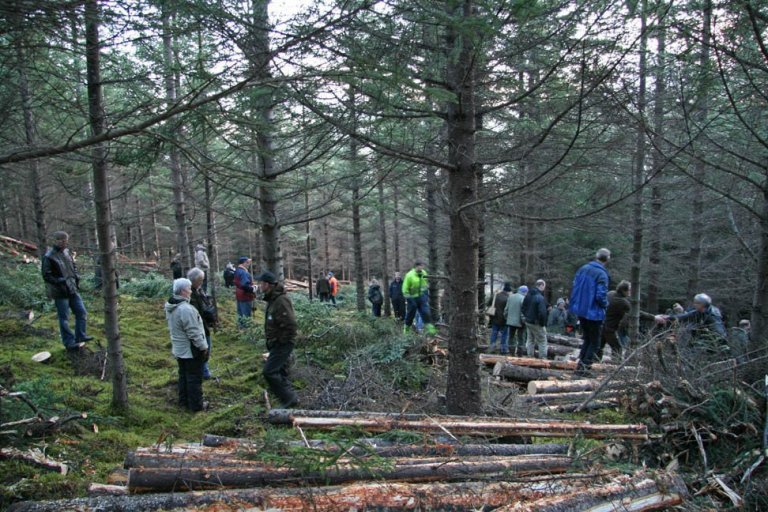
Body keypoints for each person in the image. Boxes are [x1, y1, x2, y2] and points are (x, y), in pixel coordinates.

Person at [42, 231, 92, 351]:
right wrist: (61, 281)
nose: (65, 243)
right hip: (60, 292)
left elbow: (73, 267)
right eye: (62, 240)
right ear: (56, 241)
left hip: (73, 289)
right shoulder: (49, 256)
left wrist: (76, 276)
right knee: (64, 318)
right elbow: (46, 276)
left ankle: (81, 336)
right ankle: (69, 342)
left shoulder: (66, 252)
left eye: (66, 240)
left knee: (81, 312)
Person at [165, 278, 209, 412]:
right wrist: (203, 347)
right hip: (190, 349)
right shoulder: (186, 309)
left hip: (179, 348)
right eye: (189, 289)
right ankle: (196, 406)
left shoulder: (170, 305)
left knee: (184, 376)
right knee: (194, 378)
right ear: (183, 291)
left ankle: (183, 401)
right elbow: (194, 332)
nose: (191, 291)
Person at [257, 271, 299, 408]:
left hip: (283, 344)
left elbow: (291, 324)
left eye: (261, 283)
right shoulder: (272, 298)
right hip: (276, 343)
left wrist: (281, 341)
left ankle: (289, 398)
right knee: (281, 370)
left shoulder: (281, 300)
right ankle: (288, 400)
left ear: (267, 285)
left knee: (269, 371)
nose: (259, 285)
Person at [570, 248, 611, 374]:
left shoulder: (583, 269)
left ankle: (580, 366)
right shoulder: (601, 274)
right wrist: (605, 305)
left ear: (596, 256)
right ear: (607, 259)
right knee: (595, 341)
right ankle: (585, 367)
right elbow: (601, 295)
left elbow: (575, 285)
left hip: (581, 310)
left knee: (587, 339)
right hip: (593, 313)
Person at [597, 280, 656, 361]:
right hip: (609, 328)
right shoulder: (622, 301)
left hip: (600, 324)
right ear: (624, 290)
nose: (630, 292)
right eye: (629, 290)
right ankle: (614, 366)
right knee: (617, 348)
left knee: (599, 346)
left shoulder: (611, 293)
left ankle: (592, 363)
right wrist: (654, 317)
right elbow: (637, 312)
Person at [657, 293, 727, 348]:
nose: (694, 304)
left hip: (713, 344)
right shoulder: (699, 312)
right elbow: (684, 317)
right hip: (702, 342)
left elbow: (719, 333)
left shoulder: (713, 316)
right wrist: (668, 317)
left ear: (702, 304)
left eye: (696, 303)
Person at [188, 268, 217, 380]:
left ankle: (204, 371)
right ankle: (203, 372)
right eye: (200, 280)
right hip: (199, 326)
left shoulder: (198, 290)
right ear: (194, 280)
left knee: (206, 349)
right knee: (203, 349)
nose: (202, 282)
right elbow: (196, 311)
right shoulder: (191, 293)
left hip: (204, 324)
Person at [402, 261, 437, 335]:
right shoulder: (409, 275)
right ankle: (406, 330)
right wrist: (409, 298)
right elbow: (404, 289)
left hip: (421, 297)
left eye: (422, 266)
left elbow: (425, 285)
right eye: (420, 266)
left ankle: (431, 330)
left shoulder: (424, 273)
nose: (422, 267)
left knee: (426, 312)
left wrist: (425, 295)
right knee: (411, 314)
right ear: (416, 266)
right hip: (412, 297)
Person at [522, 279, 549, 359]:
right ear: (541, 285)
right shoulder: (540, 298)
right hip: (536, 322)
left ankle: (530, 356)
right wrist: (542, 323)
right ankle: (543, 358)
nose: (544, 288)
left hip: (528, 321)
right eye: (544, 286)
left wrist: (527, 317)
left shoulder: (528, 295)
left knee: (530, 339)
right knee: (542, 340)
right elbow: (542, 313)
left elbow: (523, 308)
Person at [488, 283, 512, 354]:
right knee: (504, 334)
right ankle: (503, 349)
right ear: (508, 291)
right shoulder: (508, 298)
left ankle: (492, 347)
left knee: (494, 333)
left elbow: (489, 304)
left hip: (494, 318)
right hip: (504, 319)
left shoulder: (495, 296)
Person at [504, 285, 528, 357]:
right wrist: (524, 320)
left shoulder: (511, 297)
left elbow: (506, 310)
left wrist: (507, 318)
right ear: (525, 292)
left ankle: (511, 353)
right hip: (520, 322)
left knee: (511, 336)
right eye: (526, 292)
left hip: (510, 321)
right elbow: (523, 312)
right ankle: (520, 354)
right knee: (521, 337)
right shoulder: (523, 298)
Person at [234, 257, 255, 326]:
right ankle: (246, 332)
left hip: (239, 295)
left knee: (240, 315)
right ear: (243, 263)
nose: (248, 264)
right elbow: (244, 285)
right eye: (247, 262)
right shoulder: (243, 273)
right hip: (245, 296)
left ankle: (241, 330)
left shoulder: (238, 270)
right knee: (246, 316)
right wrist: (253, 289)